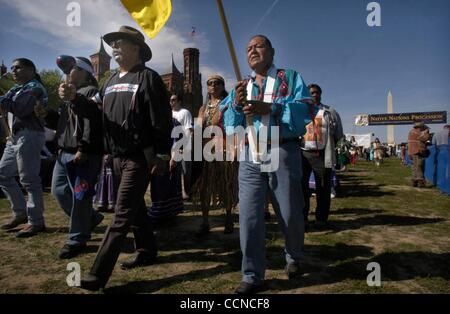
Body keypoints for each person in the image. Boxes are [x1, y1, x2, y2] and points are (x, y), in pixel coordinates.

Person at [59, 26, 172, 290]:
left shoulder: (148, 78)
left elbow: (161, 119)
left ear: (136, 48)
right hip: (116, 157)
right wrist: (74, 98)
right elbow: (94, 110)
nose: (114, 47)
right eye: (113, 43)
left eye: (119, 42)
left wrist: (163, 153)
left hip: (139, 157)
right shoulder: (109, 81)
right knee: (136, 209)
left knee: (121, 215)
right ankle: (147, 250)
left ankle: (98, 274)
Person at [220, 35, 312, 294]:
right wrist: (237, 106)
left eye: (258, 46)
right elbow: (229, 126)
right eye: (248, 48)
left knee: (290, 212)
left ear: (272, 51)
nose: (252, 50)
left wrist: (269, 108)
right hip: (250, 153)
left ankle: (293, 256)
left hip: (281, 148)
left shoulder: (290, 78)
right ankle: (251, 275)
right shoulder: (240, 86)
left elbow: (304, 109)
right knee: (249, 217)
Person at [51, 56, 105, 259]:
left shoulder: (91, 92)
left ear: (83, 72)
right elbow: (66, 124)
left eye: (71, 69)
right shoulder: (68, 94)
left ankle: (77, 239)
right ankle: (91, 218)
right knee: (58, 191)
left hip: (82, 154)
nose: (67, 72)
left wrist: (84, 147)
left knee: (80, 198)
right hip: (64, 153)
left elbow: (92, 121)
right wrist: (46, 115)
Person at [0, 58, 47, 237]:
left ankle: (36, 222)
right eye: (12, 68)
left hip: (29, 135)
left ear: (31, 70)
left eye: (18, 67)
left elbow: (21, 109)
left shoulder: (34, 88)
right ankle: (20, 213)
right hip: (15, 138)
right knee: (3, 174)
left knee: (29, 180)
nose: (13, 70)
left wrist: (3, 99)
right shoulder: (15, 90)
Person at [192, 75, 238, 235]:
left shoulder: (229, 105)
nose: (213, 86)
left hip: (224, 149)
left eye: (217, 83)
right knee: (205, 187)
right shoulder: (203, 109)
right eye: (210, 83)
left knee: (226, 185)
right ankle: (205, 221)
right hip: (206, 152)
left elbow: (233, 125)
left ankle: (229, 219)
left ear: (223, 85)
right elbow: (198, 128)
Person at [301, 84, 344, 230]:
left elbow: (338, 133)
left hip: (322, 154)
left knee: (323, 188)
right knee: (302, 189)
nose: (313, 95)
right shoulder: (301, 111)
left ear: (320, 94)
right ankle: (303, 218)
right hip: (303, 153)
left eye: (316, 92)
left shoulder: (329, 112)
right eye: (311, 92)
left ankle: (321, 219)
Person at [170, 92, 193, 200]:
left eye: (173, 100)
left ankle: (187, 193)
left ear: (179, 101)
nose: (171, 102)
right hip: (172, 147)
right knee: (174, 170)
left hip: (184, 146)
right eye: (170, 100)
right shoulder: (169, 113)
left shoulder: (185, 113)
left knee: (186, 171)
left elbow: (189, 130)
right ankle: (176, 193)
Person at [408, 122, 431, 187]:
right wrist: (427, 132)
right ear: (421, 127)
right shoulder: (418, 132)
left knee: (414, 166)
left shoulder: (411, 131)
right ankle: (420, 182)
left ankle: (414, 181)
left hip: (411, 151)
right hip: (418, 151)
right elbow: (425, 138)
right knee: (419, 166)